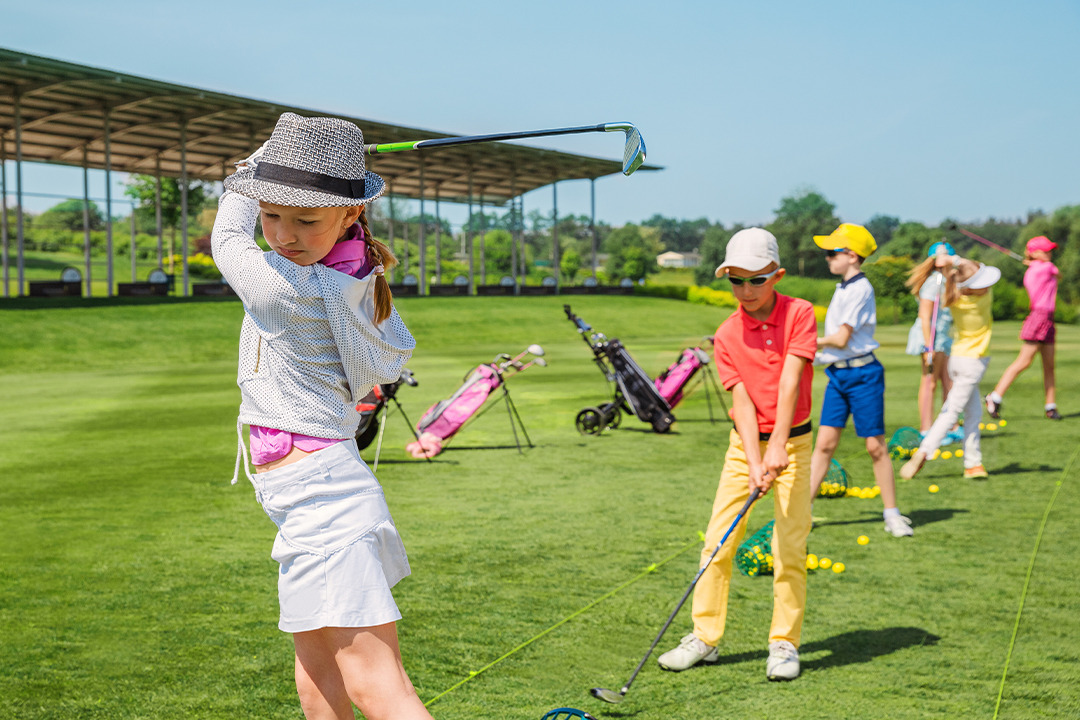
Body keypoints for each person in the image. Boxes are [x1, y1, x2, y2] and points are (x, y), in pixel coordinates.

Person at [211, 113, 433, 720]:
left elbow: (226, 238)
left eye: (306, 219)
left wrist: (249, 171)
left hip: (325, 499)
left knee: (374, 685)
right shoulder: (355, 274)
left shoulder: (286, 286)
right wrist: (282, 164)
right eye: (273, 214)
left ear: (349, 215)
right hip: (304, 498)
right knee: (316, 681)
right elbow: (390, 358)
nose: (284, 234)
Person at [657, 227, 816, 681]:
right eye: (736, 281)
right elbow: (742, 401)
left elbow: (790, 380)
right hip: (743, 446)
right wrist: (754, 459)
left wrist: (780, 445)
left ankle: (783, 644)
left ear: (777, 275)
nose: (746, 291)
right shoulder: (726, 333)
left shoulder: (800, 314)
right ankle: (705, 639)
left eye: (757, 280)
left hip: (795, 442)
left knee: (789, 547)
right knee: (717, 542)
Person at [808, 224, 913, 538]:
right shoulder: (842, 287)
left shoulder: (860, 288)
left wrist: (807, 342)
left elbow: (841, 339)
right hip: (839, 375)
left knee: (875, 447)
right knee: (824, 444)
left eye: (832, 253)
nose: (827, 259)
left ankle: (892, 514)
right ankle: (803, 511)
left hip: (863, 375)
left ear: (851, 256)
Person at [901, 253, 1000, 481]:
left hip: (958, 359)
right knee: (951, 411)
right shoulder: (983, 298)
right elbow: (970, 268)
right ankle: (923, 452)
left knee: (973, 413)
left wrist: (946, 263)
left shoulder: (954, 296)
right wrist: (953, 259)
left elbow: (964, 274)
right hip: (972, 363)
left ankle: (973, 464)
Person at [985, 236, 1062, 420]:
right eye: (1045, 251)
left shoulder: (1034, 269)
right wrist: (1034, 263)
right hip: (1039, 317)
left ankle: (1050, 406)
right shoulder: (1045, 268)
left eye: (1050, 250)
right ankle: (994, 397)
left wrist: (1032, 262)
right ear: (1034, 252)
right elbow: (1057, 273)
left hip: (1048, 318)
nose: (1049, 253)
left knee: (1049, 365)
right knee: (1024, 361)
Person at [905, 242, 958, 435]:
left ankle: (950, 425)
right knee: (930, 381)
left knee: (948, 381)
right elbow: (925, 317)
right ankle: (926, 428)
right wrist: (929, 347)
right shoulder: (933, 283)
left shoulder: (946, 282)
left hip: (942, 337)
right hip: (930, 338)